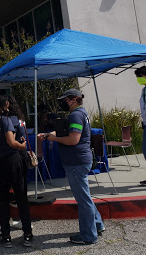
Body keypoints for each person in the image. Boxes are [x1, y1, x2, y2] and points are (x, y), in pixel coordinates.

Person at [38, 89, 104, 245]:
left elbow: (73, 139)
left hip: (76, 161)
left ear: (74, 99)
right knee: (85, 196)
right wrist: (49, 135)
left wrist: (53, 138)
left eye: (65, 100)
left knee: (83, 200)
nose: (63, 102)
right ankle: (97, 225)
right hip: (79, 160)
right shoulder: (81, 113)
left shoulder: (75, 115)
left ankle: (88, 235)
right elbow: (67, 132)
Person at [0, 95, 33, 248]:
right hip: (13, 163)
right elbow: (11, 142)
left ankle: (6, 236)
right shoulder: (6, 120)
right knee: (21, 198)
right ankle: (27, 235)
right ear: (2, 105)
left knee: (3, 201)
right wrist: (22, 145)